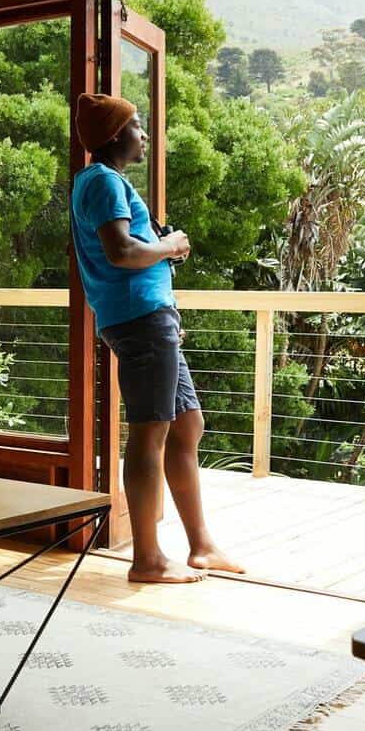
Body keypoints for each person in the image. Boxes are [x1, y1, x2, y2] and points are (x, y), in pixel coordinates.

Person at [71, 92, 245, 584]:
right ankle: (147, 559)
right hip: (141, 322)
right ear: (113, 135)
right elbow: (122, 252)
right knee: (150, 434)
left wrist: (165, 287)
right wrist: (169, 244)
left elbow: (127, 251)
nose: (144, 135)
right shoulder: (104, 181)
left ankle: (202, 546)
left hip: (151, 319)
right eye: (136, 126)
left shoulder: (100, 181)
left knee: (188, 424)